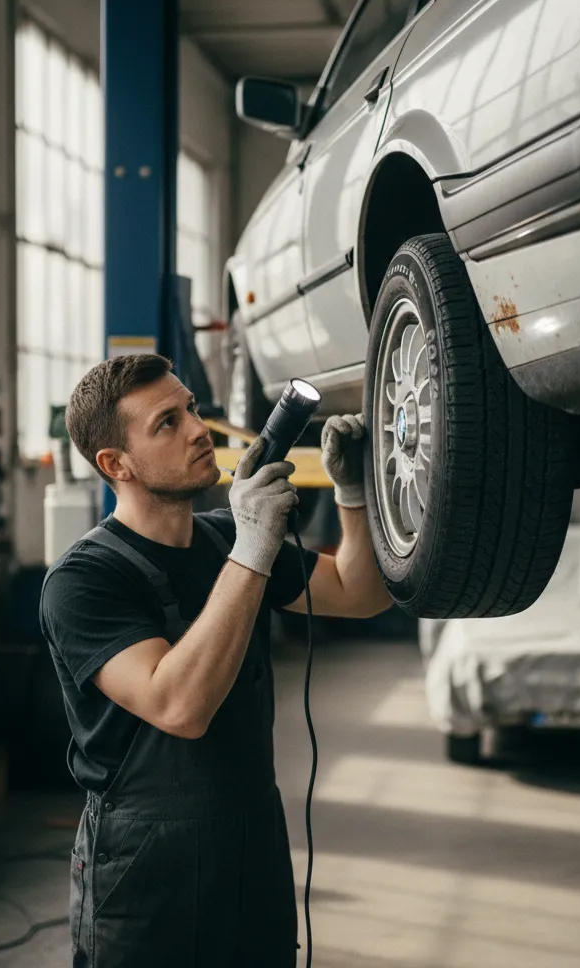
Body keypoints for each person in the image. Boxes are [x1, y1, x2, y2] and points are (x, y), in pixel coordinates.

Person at [40, 354, 392, 968]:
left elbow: (361, 594)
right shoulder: (83, 581)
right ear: (114, 464)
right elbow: (180, 705)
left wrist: (354, 494)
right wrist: (255, 547)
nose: (200, 430)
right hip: (146, 869)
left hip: (252, 843)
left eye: (193, 410)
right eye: (167, 423)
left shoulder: (228, 536)